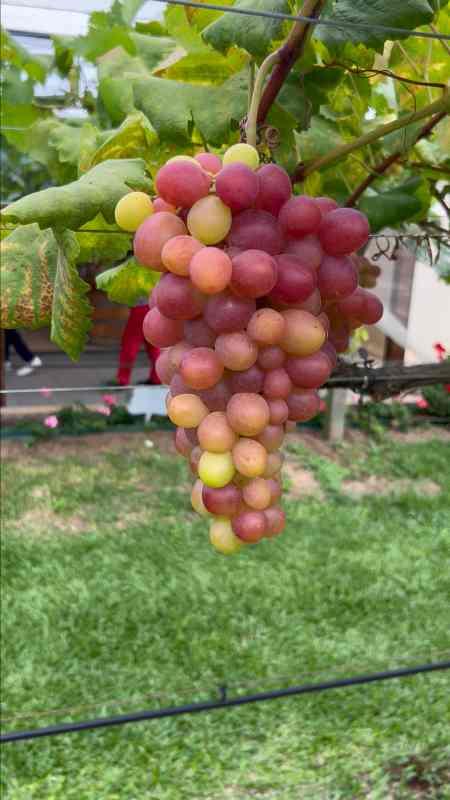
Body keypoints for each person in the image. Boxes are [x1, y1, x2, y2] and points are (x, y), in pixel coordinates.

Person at [115, 298, 161, 386]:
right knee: (152, 343)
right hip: (153, 308)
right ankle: (156, 378)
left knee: (130, 342)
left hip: (140, 307)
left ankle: (122, 379)